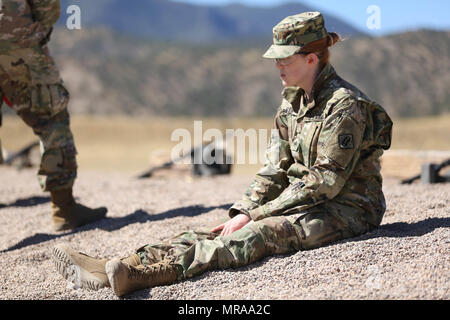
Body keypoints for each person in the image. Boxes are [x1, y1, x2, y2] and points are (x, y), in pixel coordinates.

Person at [51, 11, 393, 297]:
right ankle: (123, 264)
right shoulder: (291, 105)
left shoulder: (346, 107)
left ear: (311, 58)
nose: (277, 66)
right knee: (218, 230)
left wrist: (257, 216)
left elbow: (324, 184)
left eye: (284, 58)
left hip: (348, 209)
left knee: (258, 234)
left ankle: (148, 276)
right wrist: (244, 209)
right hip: (306, 202)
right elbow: (274, 170)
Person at [0, 0, 107, 231]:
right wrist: (34, 31)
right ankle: (64, 208)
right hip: (14, 37)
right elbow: (46, 6)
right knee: (52, 117)